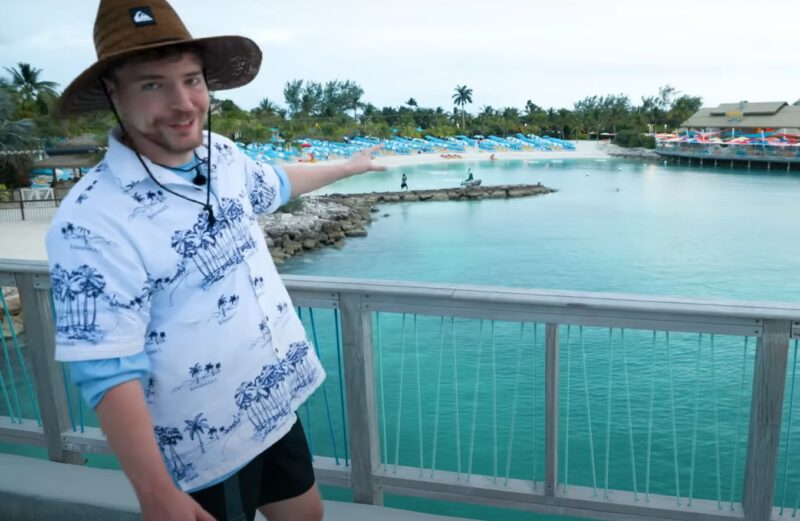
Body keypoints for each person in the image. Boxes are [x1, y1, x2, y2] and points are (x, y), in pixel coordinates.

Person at [46, 1, 385, 520]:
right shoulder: (91, 220)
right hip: (202, 443)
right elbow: (106, 368)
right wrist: (156, 493)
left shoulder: (220, 155)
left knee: (307, 516)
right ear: (115, 93)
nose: (184, 104)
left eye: (192, 80)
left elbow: (275, 184)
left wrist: (348, 168)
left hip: (271, 400)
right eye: (153, 85)